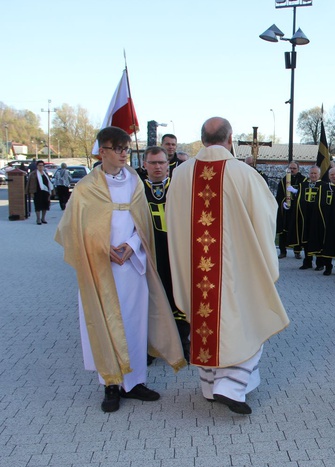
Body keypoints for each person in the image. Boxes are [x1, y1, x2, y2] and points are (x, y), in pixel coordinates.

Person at [55, 126, 186, 413]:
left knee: (135, 324)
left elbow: (143, 223)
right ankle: (111, 385)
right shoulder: (87, 187)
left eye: (126, 148)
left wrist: (131, 244)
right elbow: (73, 229)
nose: (123, 154)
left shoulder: (134, 184)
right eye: (118, 149)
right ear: (102, 151)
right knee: (105, 323)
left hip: (132, 266)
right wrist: (102, 247)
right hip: (100, 268)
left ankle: (135, 382)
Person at [167, 117, 289, 415]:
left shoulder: (181, 174)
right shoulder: (244, 174)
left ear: (201, 140)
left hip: (196, 269)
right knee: (246, 321)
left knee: (205, 321)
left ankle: (209, 385)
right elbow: (266, 216)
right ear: (230, 138)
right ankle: (231, 387)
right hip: (237, 269)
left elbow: (173, 221)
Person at [142, 145, 191, 360]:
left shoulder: (179, 188)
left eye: (162, 162)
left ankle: (183, 344)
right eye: (153, 163)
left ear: (168, 165)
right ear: (145, 165)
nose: (158, 167)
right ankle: (151, 347)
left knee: (178, 296)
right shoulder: (136, 191)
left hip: (175, 252)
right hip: (149, 253)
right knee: (151, 299)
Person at [275, 162, 305, 259]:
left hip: (297, 209)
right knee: (283, 230)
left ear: (298, 169)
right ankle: (283, 251)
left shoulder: (303, 180)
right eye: (290, 168)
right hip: (286, 210)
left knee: (297, 229)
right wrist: (283, 202)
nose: (292, 170)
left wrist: (296, 192)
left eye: (294, 168)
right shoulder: (284, 180)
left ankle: (297, 251)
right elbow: (279, 195)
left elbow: (305, 193)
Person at [318, 166, 335, 275]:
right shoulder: (324, 187)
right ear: (328, 176)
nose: (334, 176)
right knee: (327, 245)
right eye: (332, 174)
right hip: (327, 221)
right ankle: (328, 267)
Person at [296, 166, 322, 270]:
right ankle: (307, 261)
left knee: (318, 239)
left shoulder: (323, 186)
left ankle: (320, 263)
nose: (313, 175)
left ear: (319, 174)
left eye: (315, 173)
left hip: (318, 217)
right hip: (306, 216)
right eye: (311, 173)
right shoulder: (303, 185)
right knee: (306, 239)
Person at [26, 160, 53, 224]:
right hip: (37, 192)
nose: (41, 167)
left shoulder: (45, 174)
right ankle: (38, 219)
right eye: (39, 165)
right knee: (38, 206)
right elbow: (31, 184)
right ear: (37, 166)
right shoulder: (33, 174)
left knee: (45, 205)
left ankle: (43, 218)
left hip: (45, 192)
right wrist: (32, 192)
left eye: (42, 165)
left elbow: (49, 182)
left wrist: (50, 191)